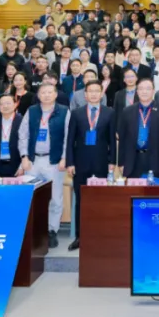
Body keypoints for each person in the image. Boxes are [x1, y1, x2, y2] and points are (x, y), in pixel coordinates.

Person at [65, 81, 118, 251]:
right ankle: (80, 237)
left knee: (101, 200)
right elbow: (70, 140)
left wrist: (112, 162)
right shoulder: (76, 113)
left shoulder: (110, 113)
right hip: (80, 164)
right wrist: (70, 162)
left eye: (97, 91)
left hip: (102, 163)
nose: (94, 94)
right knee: (81, 201)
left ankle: (100, 235)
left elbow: (112, 140)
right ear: (85, 95)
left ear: (102, 94)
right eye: (90, 91)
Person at [18, 83, 71, 247]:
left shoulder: (64, 111)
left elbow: (68, 137)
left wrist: (64, 158)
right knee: (31, 197)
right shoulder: (32, 111)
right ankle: (33, 230)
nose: (46, 95)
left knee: (55, 198)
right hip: (32, 161)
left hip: (53, 161)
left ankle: (51, 230)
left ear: (55, 94)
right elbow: (23, 134)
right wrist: (24, 156)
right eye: (43, 92)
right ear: (38, 95)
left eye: (49, 92)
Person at [117, 78, 159, 179]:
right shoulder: (127, 111)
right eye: (141, 89)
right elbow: (123, 139)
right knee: (134, 188)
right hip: (133, 161)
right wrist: (121, 162)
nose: (144, 92)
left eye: (148, 89)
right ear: (137, 91)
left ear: (153, 91)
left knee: (154, 188)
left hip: (156, 160)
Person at [0, 94, 23, 178]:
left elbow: (27, 145)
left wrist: (22, 166)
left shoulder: (23, 121)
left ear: (15, 104)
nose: (5, 106)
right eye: (2, 104)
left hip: (17, 166)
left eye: (8, 103)